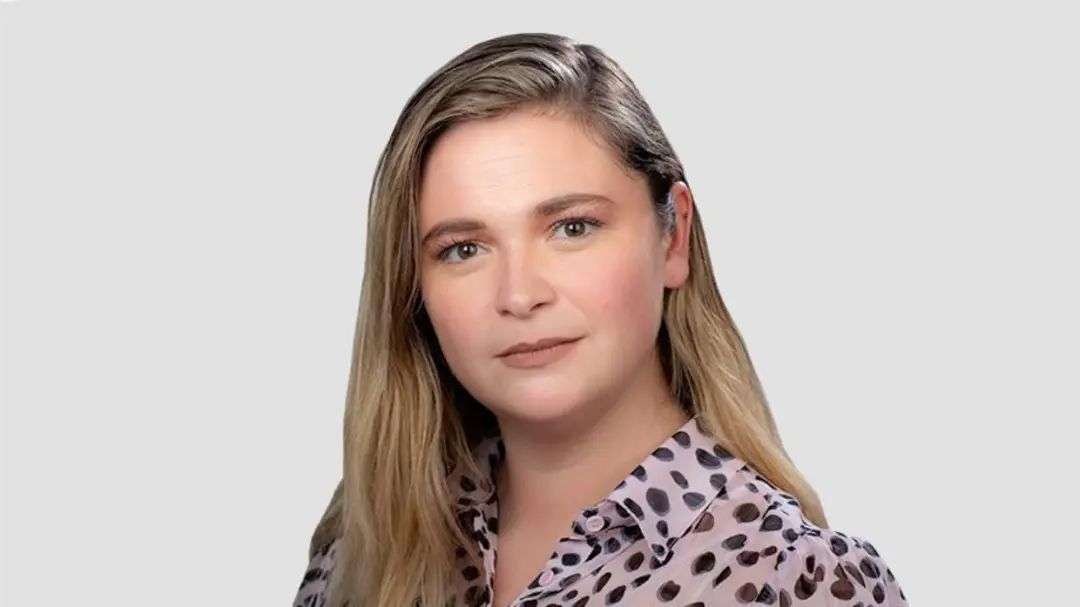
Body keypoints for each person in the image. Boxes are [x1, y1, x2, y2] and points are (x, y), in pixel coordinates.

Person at [293, 32, 909, 607]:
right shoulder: (360, 550)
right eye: (464, 249)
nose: (519, 295)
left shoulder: (793, 579)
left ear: (674, 238)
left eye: (572, 228)